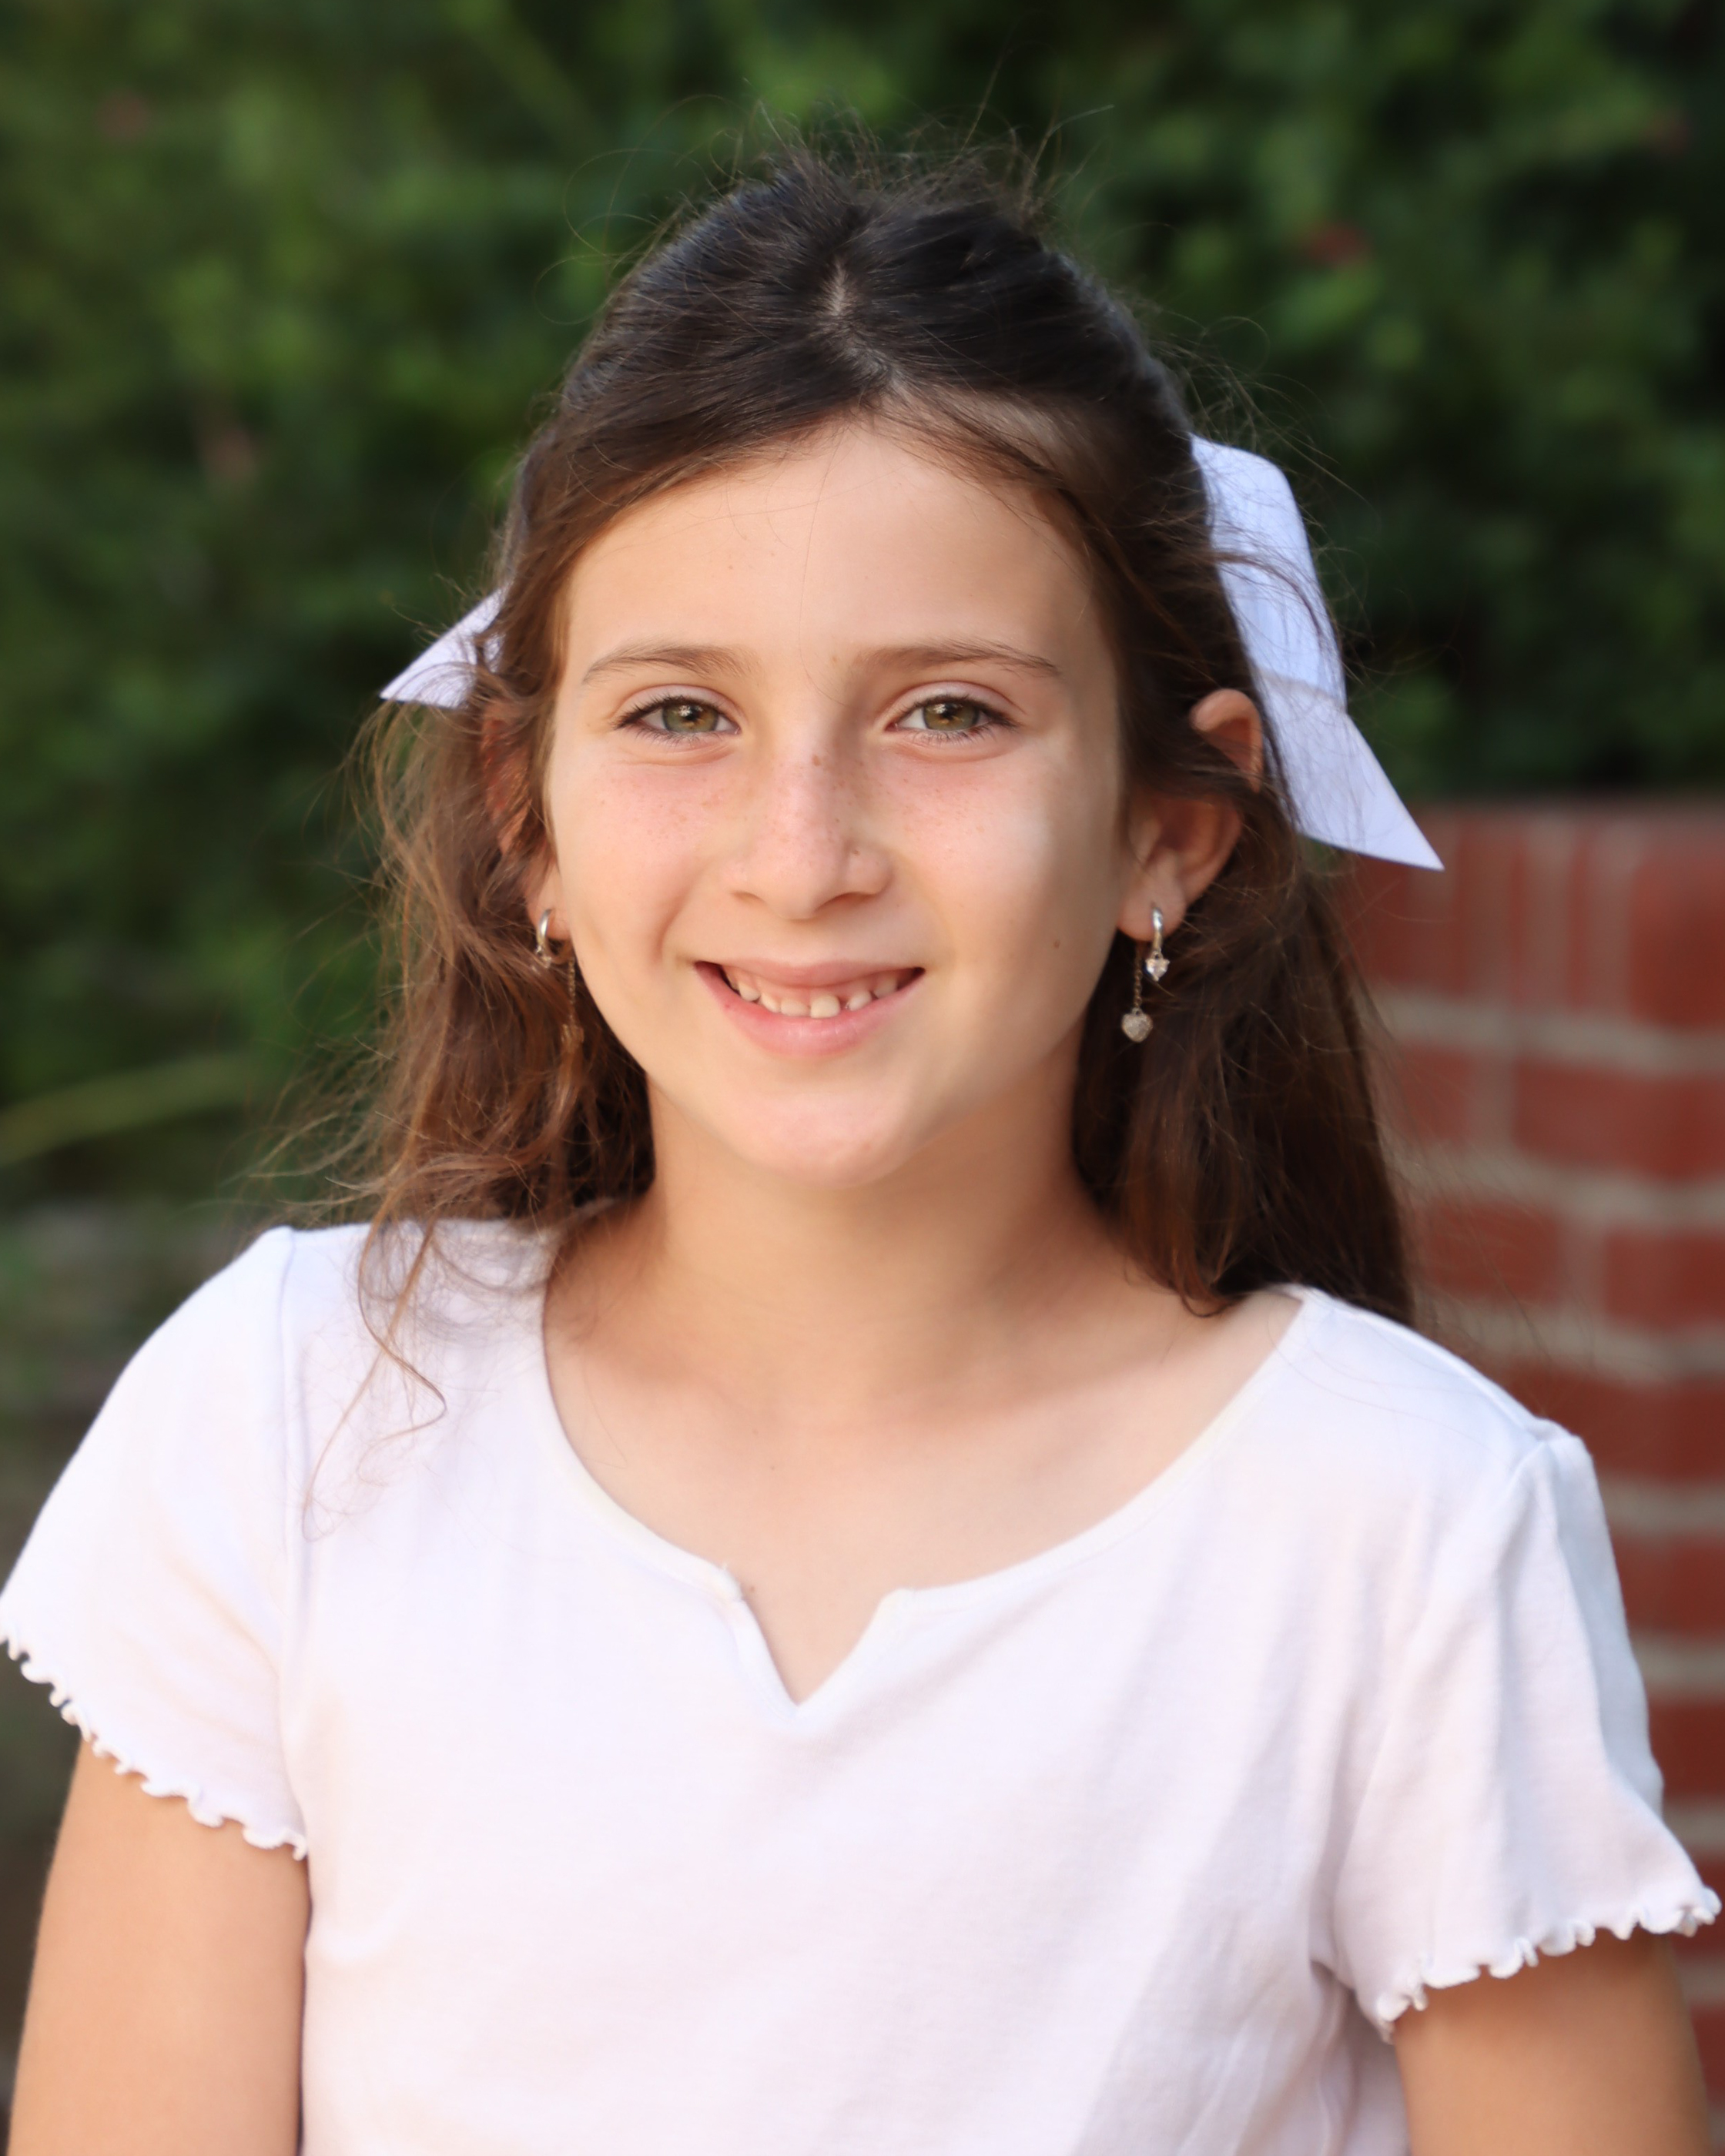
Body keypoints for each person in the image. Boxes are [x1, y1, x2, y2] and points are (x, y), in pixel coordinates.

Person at [0, 150, 1713, 2156]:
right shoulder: (295, 1420)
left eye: (950, 713)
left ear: (1169, 827)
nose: (802, 853)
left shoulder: (1404, 1528)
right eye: (680, 715)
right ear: (526, 810)